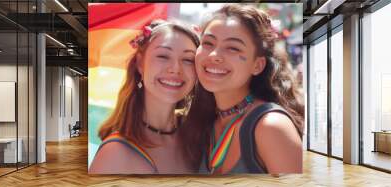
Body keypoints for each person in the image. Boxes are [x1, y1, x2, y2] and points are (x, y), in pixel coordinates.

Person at [181, 4, 304, 174]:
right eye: (208, 43)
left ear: (257, 65)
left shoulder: (271, 127)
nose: (214, 55)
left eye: (233, 47)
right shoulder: (203, 121)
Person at [89, 20, 200, 174]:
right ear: (140, 63)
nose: (175, 69)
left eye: (188, 60)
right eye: (163, 56)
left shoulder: (198, 135)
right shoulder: (115, 154)